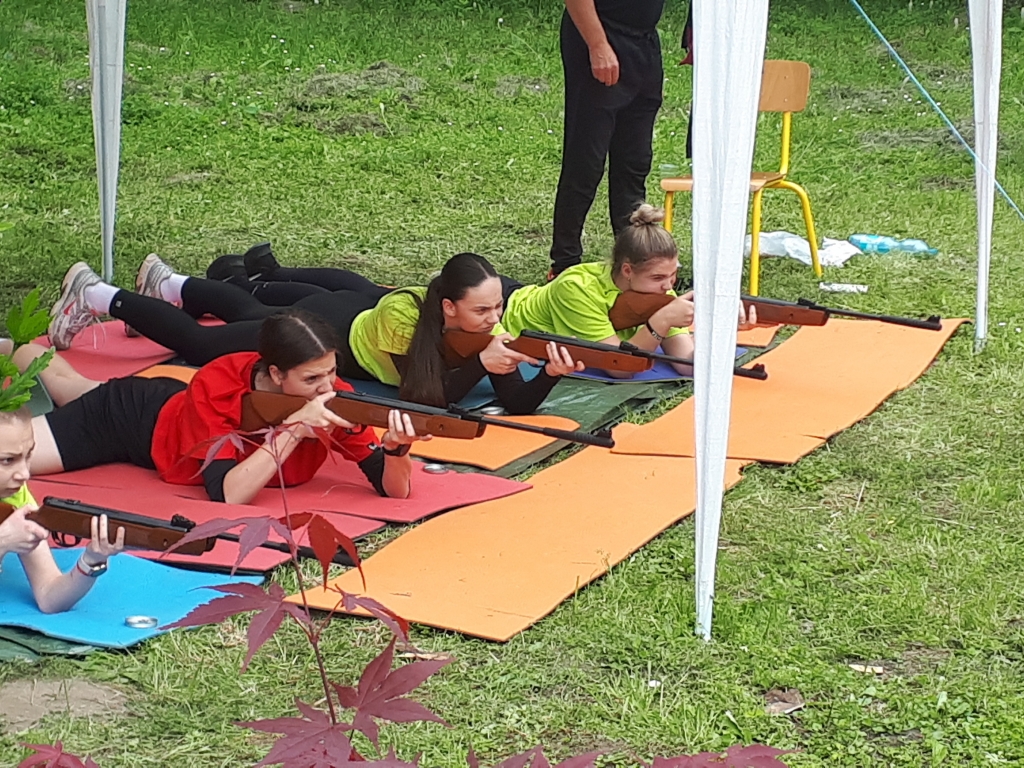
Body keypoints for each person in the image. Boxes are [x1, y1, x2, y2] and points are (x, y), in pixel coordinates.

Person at [48, 254, 584, 412]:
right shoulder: (407, 318)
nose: (494, 319)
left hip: (352, 316)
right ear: (448, 307)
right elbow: (423, 396)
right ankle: (96, 295)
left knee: (250, 310)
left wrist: (550, 376)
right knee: (206, 345)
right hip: (335, 326)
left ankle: (171, 284)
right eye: (482, 310)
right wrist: (479, 365)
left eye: (497, 308)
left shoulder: (488, 328)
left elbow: (517, 403)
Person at [26, 309, 423, 504]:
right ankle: (13, 347)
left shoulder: (335, 394)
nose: (327, 388)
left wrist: (396, 451)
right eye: (311, 380)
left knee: (72, 387)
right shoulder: (220, 383)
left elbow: (394, 491)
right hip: (128, 418)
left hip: (173, 403)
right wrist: (294, 431)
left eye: (331, 373)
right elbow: (228, 494)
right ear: (275, 373)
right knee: (15, 452)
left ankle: (14, 349)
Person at [549, 0, 666, 278]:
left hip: (645, 42)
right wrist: (597, 45)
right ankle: (565, 262)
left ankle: (633, 258)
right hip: (601, 35)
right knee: (586, 161)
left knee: (635, 161)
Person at [0, 404, 125, 613]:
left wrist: (92, 560)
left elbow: (49, 598)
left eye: (28, 456)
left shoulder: (16, 499)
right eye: (7, 460)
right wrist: (3, 542)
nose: (24, 474)